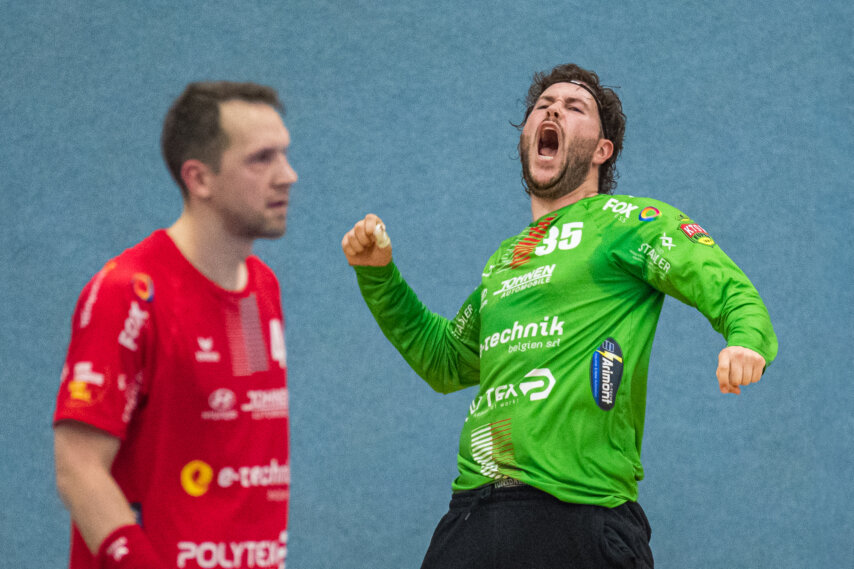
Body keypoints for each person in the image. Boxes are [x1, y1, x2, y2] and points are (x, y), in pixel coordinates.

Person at [341, 63, 777, 568]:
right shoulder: (506, 259)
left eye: (576, 108)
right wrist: (378, 276)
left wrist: (745, 339)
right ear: (527, 135)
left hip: (580, 520)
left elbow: (719, 280)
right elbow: (444, 361)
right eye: (543, 106)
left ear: (601, 150)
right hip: (473, 516)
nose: (553, 109)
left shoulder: (628, 221)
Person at [53, 81, 297, 569]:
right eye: (261, 159)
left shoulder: (259, 290)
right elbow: (78, 468)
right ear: (199, 179)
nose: (287, 175)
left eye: (284, 155)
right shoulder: (129, 293)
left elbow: (236, 431)